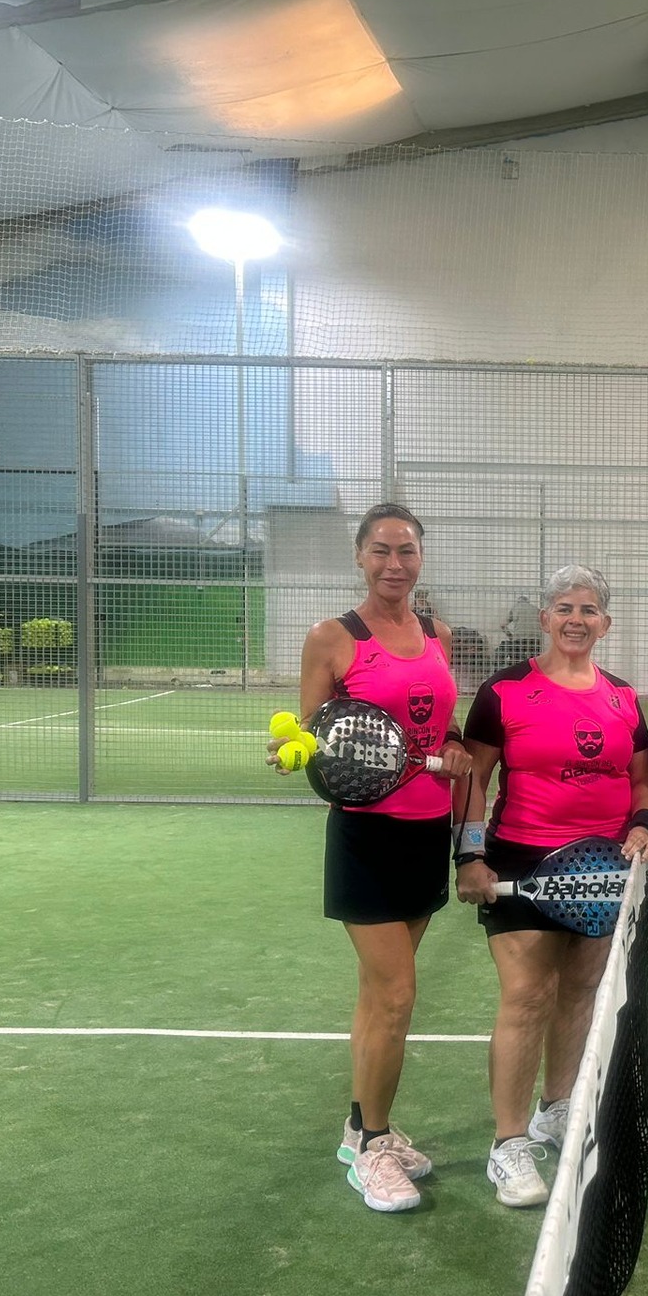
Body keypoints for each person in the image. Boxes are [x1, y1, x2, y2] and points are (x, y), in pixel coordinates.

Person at [269, 502, 473, 1214]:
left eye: (406, 550)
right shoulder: (331, 638)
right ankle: (375, 1148)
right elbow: (312, 735)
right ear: (360, 556)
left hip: (428, 831)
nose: (395, 563)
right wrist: (291, 752)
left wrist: (453, 746)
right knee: (395, 996)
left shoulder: (439, 635)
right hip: (365, 839)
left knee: (374, 994)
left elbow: (442, 725)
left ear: (421, 558)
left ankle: (358, 1131)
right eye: (381, 550)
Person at [455, 565, 648, 1207]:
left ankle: (556, 1107)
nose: (577, 619)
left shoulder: (623, 697)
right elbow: (473, 780)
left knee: (579, 992)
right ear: (544, 618)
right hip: (521, 862)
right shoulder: (503, 692)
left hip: (602, 867)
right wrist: (470, 857)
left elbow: (641, 779)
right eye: (565, 608)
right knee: (526, 997)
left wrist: (645, 824)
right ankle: (508, 1144)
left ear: (606, 623)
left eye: (589, 609)